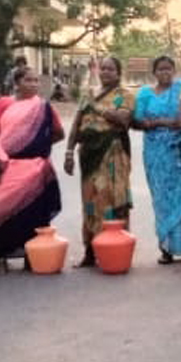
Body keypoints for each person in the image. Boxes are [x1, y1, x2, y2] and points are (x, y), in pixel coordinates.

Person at [0, 65, 64, 264]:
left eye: (36, 80)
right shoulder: (3, 104)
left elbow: (59, 133)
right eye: (28, 80)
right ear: (17, 83)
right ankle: (3, 254)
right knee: (5, 211)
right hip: (8, 168)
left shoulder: (43, 106)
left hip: (36, 168)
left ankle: (34, 256)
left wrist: (36, 146)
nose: (34, 84)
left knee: (36, 213)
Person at [64, 56, 134, 267]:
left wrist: (99, 109)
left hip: (112, 153)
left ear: (118, 73)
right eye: (103, 68)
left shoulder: (125, 95)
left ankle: (118, 249)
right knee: (91, 203)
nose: (105, 72)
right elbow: (77, 125)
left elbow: (123, 120)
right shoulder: (88, 95)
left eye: (110, 69)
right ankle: (90, 251)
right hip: (89, 156)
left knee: (113, 199)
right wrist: (68, 152)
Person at [135, 55, 181, 263]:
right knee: (161, 199)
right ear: (154, 73)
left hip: (179, 151)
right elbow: (138, 120)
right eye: (161, 69)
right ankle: (167, 248)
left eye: (169, 69)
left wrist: (158, 121)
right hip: (155, 154)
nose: (165, 73)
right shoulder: (145, 93)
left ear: (174, 70)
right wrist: (162, 123)